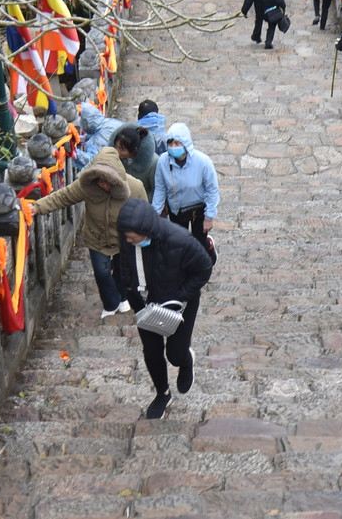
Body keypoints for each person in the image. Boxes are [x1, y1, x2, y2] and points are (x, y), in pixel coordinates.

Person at [114, 198, 214, 419]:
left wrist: (179, 296)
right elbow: (124, 263)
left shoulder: (180, 240)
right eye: (126, 236)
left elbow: (204, 269)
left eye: (132, 236)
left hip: (179, 303)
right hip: (146, 304)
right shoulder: (128, 238)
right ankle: (162, 393)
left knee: (174, 354)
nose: (128, 240)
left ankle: (186, 360)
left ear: (146, 231)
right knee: (151, 352)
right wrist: (130, 289)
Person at [32, 147, 146, 318]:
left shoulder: (135, 187)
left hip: (124, 239)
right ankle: (111, 303)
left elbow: (146, 213)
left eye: (109, 181)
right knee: (101, 272)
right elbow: (62, 197)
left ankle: (123, 297)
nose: (105, 185)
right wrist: (36, 207)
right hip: (96, 238)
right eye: (101, 181)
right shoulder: (85, 186)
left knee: (123, 272)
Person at [152, 122, 219, 255]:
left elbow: (212, 190)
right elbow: (160, 189)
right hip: (176, 210)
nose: (173, 147)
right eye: (170, 144)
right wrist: (154, 214)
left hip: (198, 209)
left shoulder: (203, 162)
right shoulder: (163, 162)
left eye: (177, 144)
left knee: (199, 243)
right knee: (178, 244)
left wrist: (209, 217)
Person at [110, 124, 158, 200]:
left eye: (122, 149)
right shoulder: (115, 157)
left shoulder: (153, 163)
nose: (117, 151)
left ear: (134, 149)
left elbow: (156, 191)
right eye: (116, 147)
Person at [74, 102, 124, 171]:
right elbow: (98, 130)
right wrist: (87, 137)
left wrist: (75, 153)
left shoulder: (98, 140)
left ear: (86, 122)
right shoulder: (107, 122)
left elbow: (91, 161)